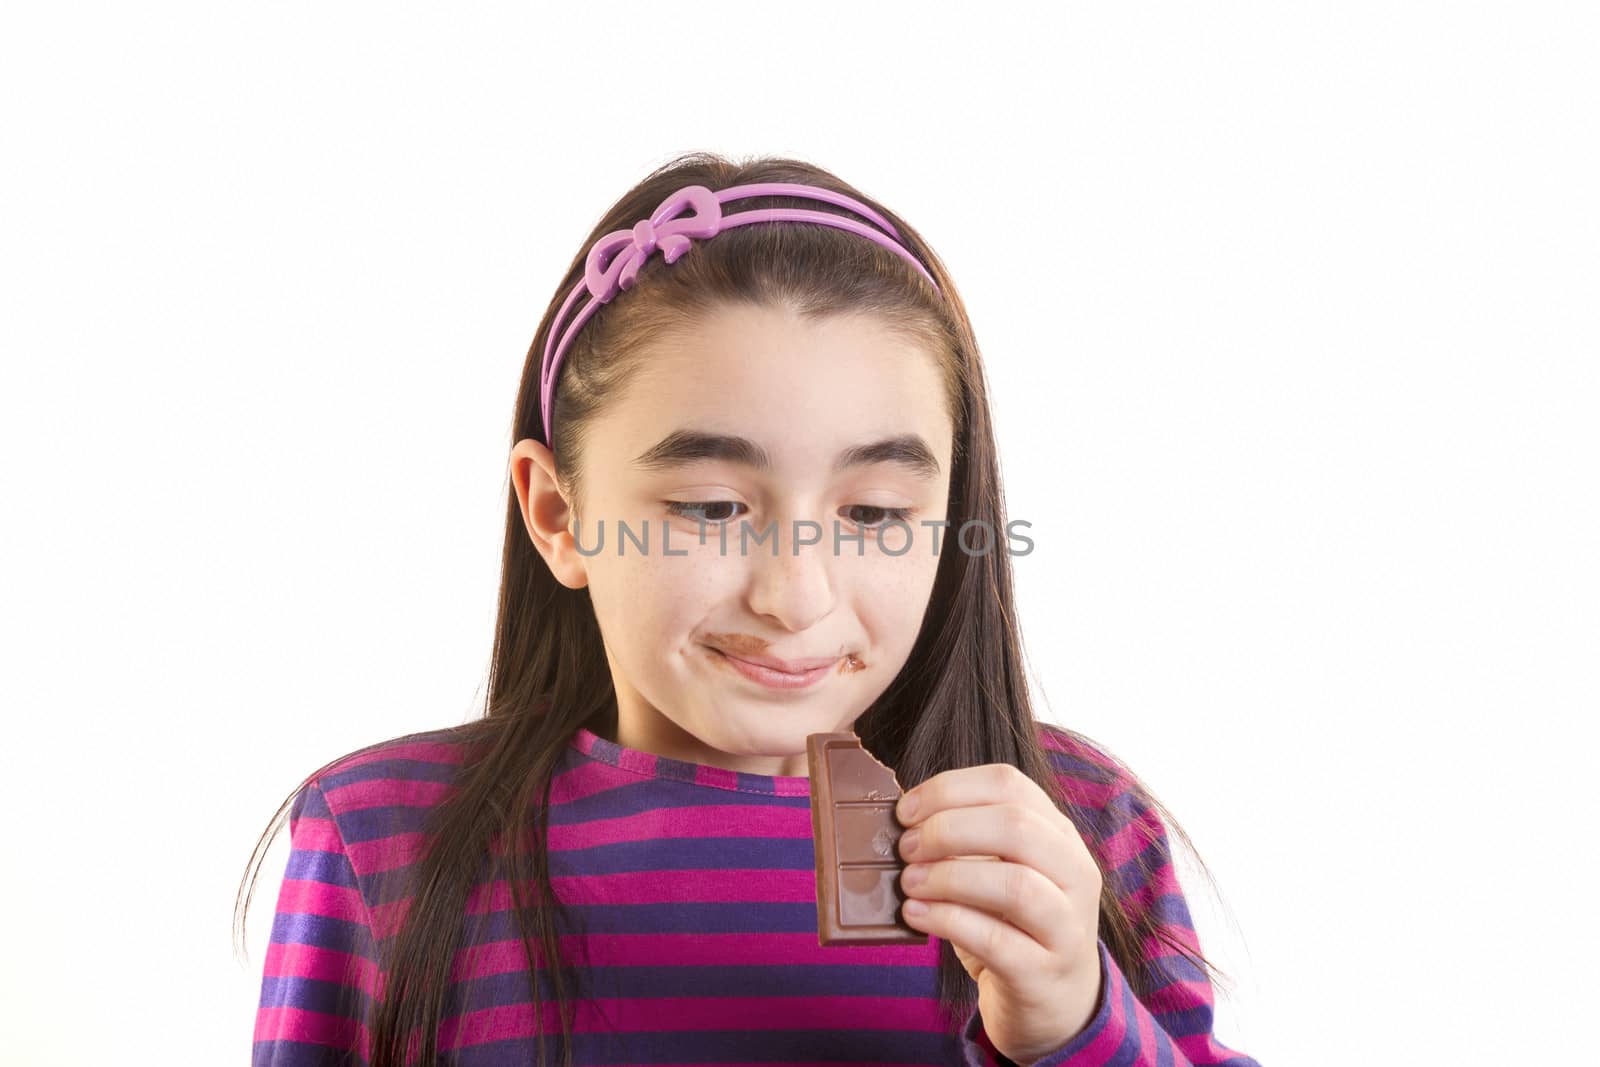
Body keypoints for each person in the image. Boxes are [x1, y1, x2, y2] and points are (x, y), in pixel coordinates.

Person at [240, 152, 1261, 1067]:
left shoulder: (1070, 824)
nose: (795, 594)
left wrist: (1075, 1021)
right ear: (559, 514)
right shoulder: (383, 839)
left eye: (873, 512)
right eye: (714, 508)